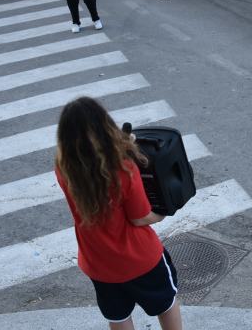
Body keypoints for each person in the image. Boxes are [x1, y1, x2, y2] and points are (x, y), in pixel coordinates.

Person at [55, 97, 182, 330]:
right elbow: (140, 217)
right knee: (166, 303)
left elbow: (92, 167)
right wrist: (162, 214)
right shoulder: (123, 169)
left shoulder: (63, 168)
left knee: (118, 317)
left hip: (98, 263)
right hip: (140, 259)